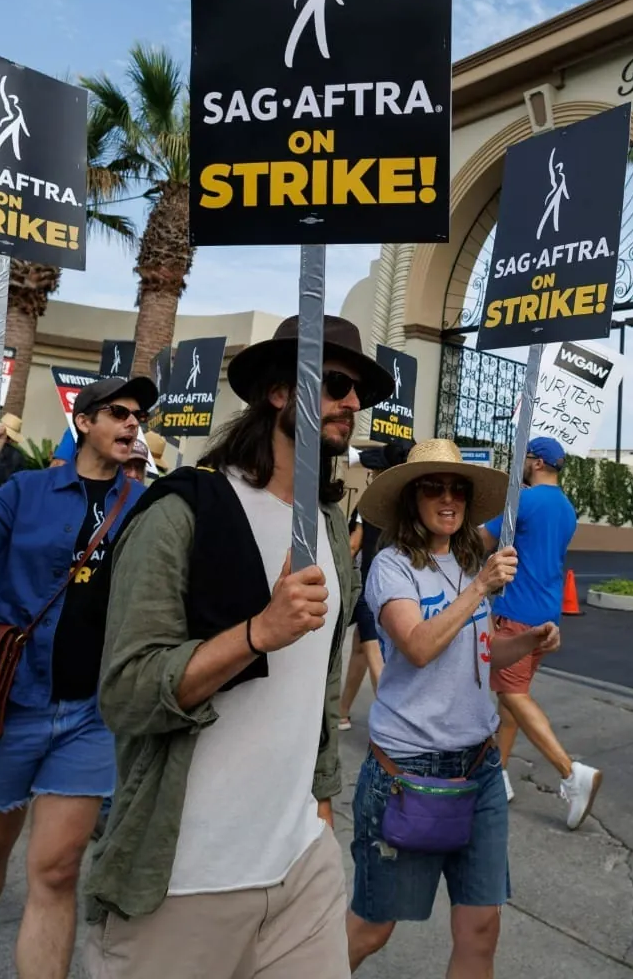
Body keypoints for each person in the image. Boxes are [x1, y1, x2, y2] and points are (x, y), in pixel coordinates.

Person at [84, 314, 388, 979]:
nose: (352, 404)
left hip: (301, 866)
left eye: (358, 390)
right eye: (335, 384)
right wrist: (257, 634)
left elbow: (316, 685)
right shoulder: (183, 511)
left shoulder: (330, 524)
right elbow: (129, 693)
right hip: (186, 873)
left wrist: (320, 807)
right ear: (278, 392)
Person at [0, 375, 155, 979]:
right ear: (84, 423)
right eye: (118, 413)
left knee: (56, 869)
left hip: (91, 712)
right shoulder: (27, 489)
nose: (132, 424)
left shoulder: (143, 505)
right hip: (12, 701)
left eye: (138, 417)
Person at [344, 439, 560, 975]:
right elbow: (417, 646)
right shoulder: (391, 567)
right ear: (411, 499)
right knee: (373, 928)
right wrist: (481, 589)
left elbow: (477, 653)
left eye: (456, 489)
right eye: (433, 488)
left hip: (478, 768)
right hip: (407, 772)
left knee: (481, 927)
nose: (447, 499)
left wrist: (527, 641)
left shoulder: (468, 564)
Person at [483, 435, 598, 826]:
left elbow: (482, 538)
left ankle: (570, 773)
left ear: (534, 462)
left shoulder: (525, 500)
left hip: (515, 611)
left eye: (523, 458)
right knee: (513, 695)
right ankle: (497, 774)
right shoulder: (567, 509)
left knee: (511, 694)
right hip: (548, 615)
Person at [337, 441, 411, 731]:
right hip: (404, 588)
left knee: (373, 653)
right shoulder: (412, 505)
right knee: (360, 650)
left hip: (372, 588)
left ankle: (397, 726)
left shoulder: (370, 504)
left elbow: (353, 545)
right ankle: (341, 712)